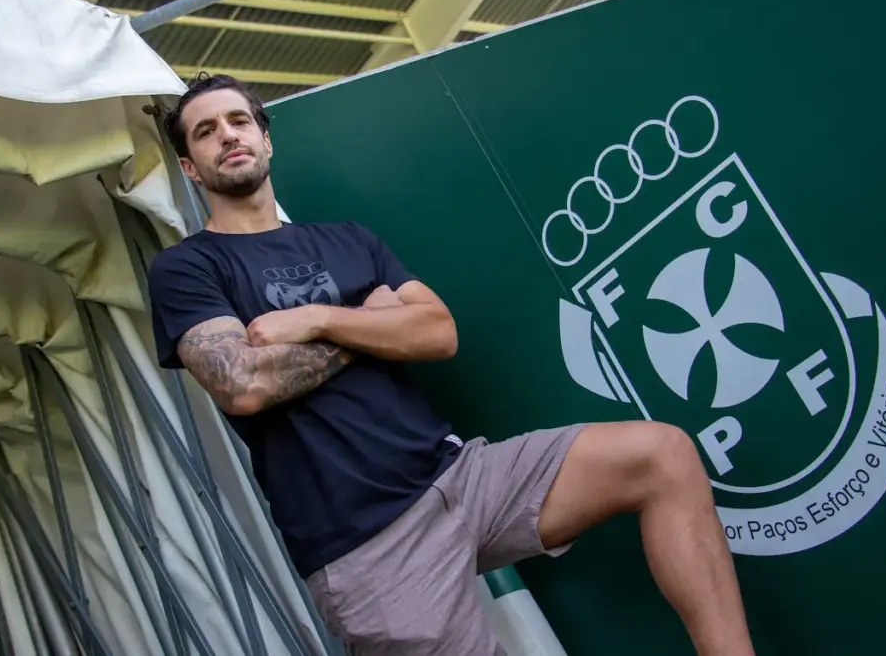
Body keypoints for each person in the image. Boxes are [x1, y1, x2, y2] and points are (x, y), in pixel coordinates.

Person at [146, 73, 756, 656]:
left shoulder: (348, 239)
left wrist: (323, 319)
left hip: (461, 475)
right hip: (367, 543)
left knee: (662, 455)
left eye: (239, 121)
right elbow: (244, 383)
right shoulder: (188, 268)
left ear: (264, 136)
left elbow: (438, 332)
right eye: (205, 132)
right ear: (189, 166)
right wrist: (374, 321)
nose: (228, 135)